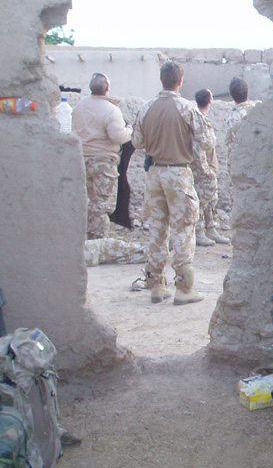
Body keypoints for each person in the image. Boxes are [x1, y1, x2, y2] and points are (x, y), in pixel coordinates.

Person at [132, 61, 209, 305]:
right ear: (180, 81)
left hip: (154, 174)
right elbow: (206, 140)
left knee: (157, 229)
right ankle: (184, 288)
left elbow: (136, 142)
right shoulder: (187, 108)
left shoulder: (146, 108)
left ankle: (156, 285)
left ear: (162, 79)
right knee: (184, 229)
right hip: (178, 174)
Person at [72, 72, 132, 239]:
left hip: (82, 159)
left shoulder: (79, 106)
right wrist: (130, 130)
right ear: (108, 89)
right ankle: (98, 241)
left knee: (88, 201)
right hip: (103, 162)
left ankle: (85, 237)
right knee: (102, 203)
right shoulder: (111, 110)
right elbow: (118, 136)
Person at [192, 88, 229, 247]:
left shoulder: (203, 119)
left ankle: (210, 228)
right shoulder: (197, 119)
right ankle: (198, 231)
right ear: (210, 100)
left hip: (209, 167)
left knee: (211, 200)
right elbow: (198, 148)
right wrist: (204, 170)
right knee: (201, 199)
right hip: (202, 170)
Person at [223, 77, 260, 146]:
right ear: (248, 91)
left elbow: (230, 145)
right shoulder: (258, 108)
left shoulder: (232, 118)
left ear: (230, 94)